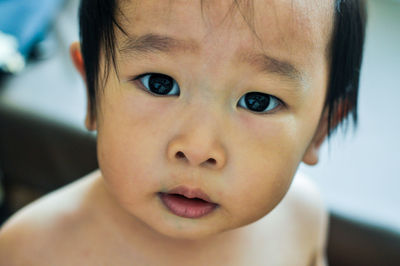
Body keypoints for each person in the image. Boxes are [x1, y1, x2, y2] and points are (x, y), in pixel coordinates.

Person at [0, 0, 366, 265]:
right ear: (93, 91)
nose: (197, 148)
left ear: (321, 128)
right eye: (160, 84)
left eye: (258, 101)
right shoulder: (31, 249)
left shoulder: (301, 218)